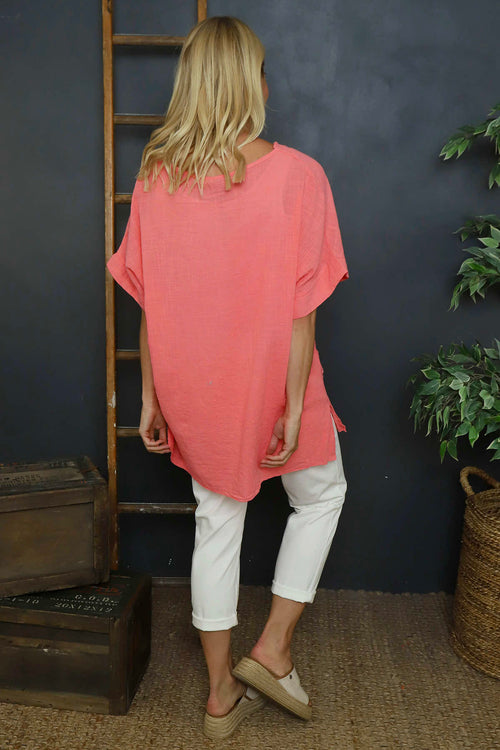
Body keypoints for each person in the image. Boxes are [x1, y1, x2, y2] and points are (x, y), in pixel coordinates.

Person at [106, 15, 349, 740]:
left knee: (216, 520)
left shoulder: (156, 177)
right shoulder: (300, 176)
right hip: (276, 378)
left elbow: (151, 302)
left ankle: (220, 697)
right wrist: (294, 405)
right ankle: (272, 648)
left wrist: (150, 396)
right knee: (322, 493)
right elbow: (302, 313)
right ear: (253, 84)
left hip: (193, 384)